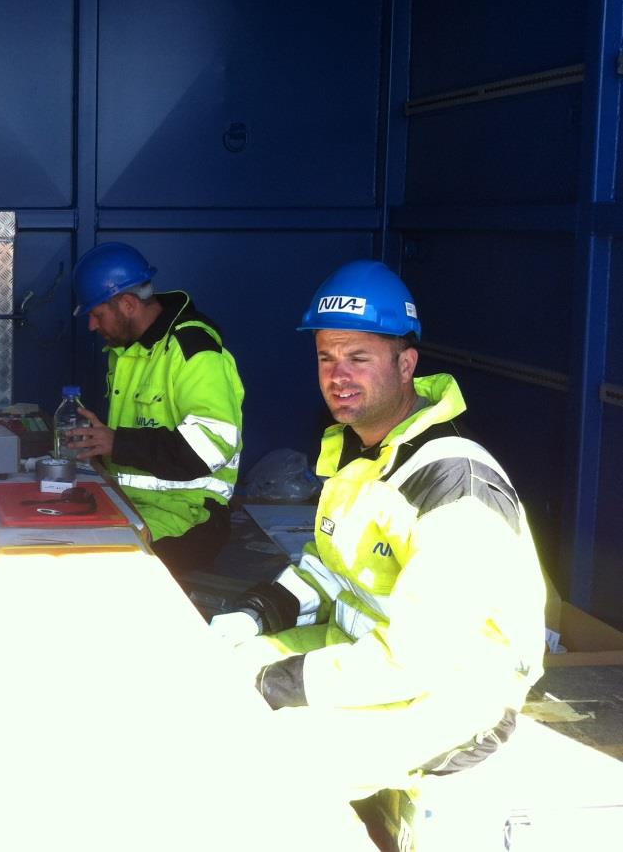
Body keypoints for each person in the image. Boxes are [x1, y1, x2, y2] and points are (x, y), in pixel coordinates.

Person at [210, 259, 547, 800]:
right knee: (209, 674)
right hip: (362, 654)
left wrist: (278, 683)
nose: (338, 376)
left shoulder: (453, 484)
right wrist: (254, 614)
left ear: (406, 363)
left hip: (452, 696)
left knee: (258, 761)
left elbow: (417, 660)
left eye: (358, 358)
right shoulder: (360, 456)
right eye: (326, 358)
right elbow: (329, 570)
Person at [64, 242, 245, 575]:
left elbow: (210, 447)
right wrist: (98, 445)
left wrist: (116, 443)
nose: (91, 325)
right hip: (132, 504)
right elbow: (143, 441)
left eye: (96, 313)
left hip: (191, 519)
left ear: (128, 304)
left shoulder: (195, 351)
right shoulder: (128, 351)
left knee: (94, 570)